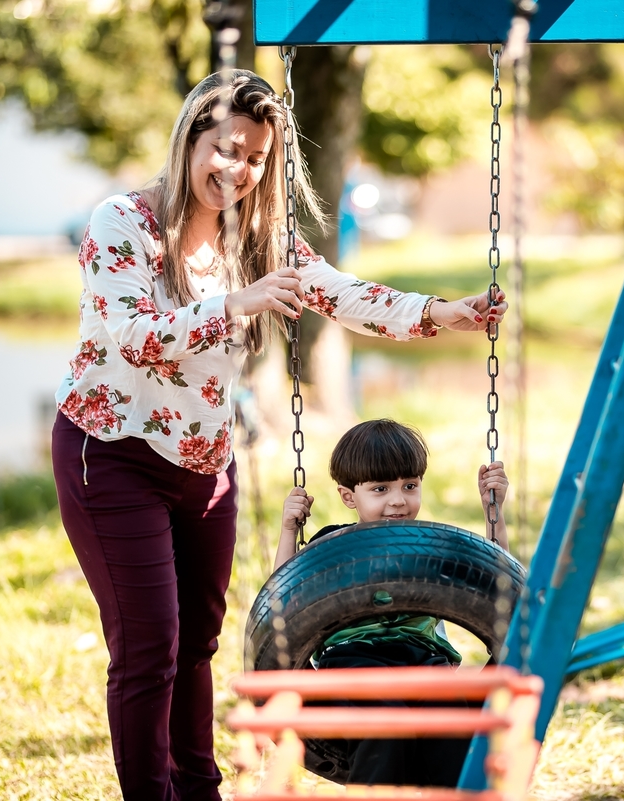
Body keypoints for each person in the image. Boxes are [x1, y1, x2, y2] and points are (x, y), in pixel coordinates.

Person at [50, 70, 508, 801]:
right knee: (149, 646)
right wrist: (240, 300)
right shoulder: (123, 223)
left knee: (197, 640)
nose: (235, 169)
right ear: (190, 137)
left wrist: (445, 312)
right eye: (224, 147)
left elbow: (345, 295)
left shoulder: (260, 239)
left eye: (255, 157)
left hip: (204, 464)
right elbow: (133, 336)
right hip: (112, 453)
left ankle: (199, 790)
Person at [275, 419, 510, 786]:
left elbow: (497, 586)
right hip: (354, 663)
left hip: (426, 663)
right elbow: (281, 601)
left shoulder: (429, 546)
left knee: (450, 715)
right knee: (382, 721)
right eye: (380, 488)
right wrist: (290, 530)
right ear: (349, 496)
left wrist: (493, 512)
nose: (398, 500)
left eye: (410, 485)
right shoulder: (331, 545)